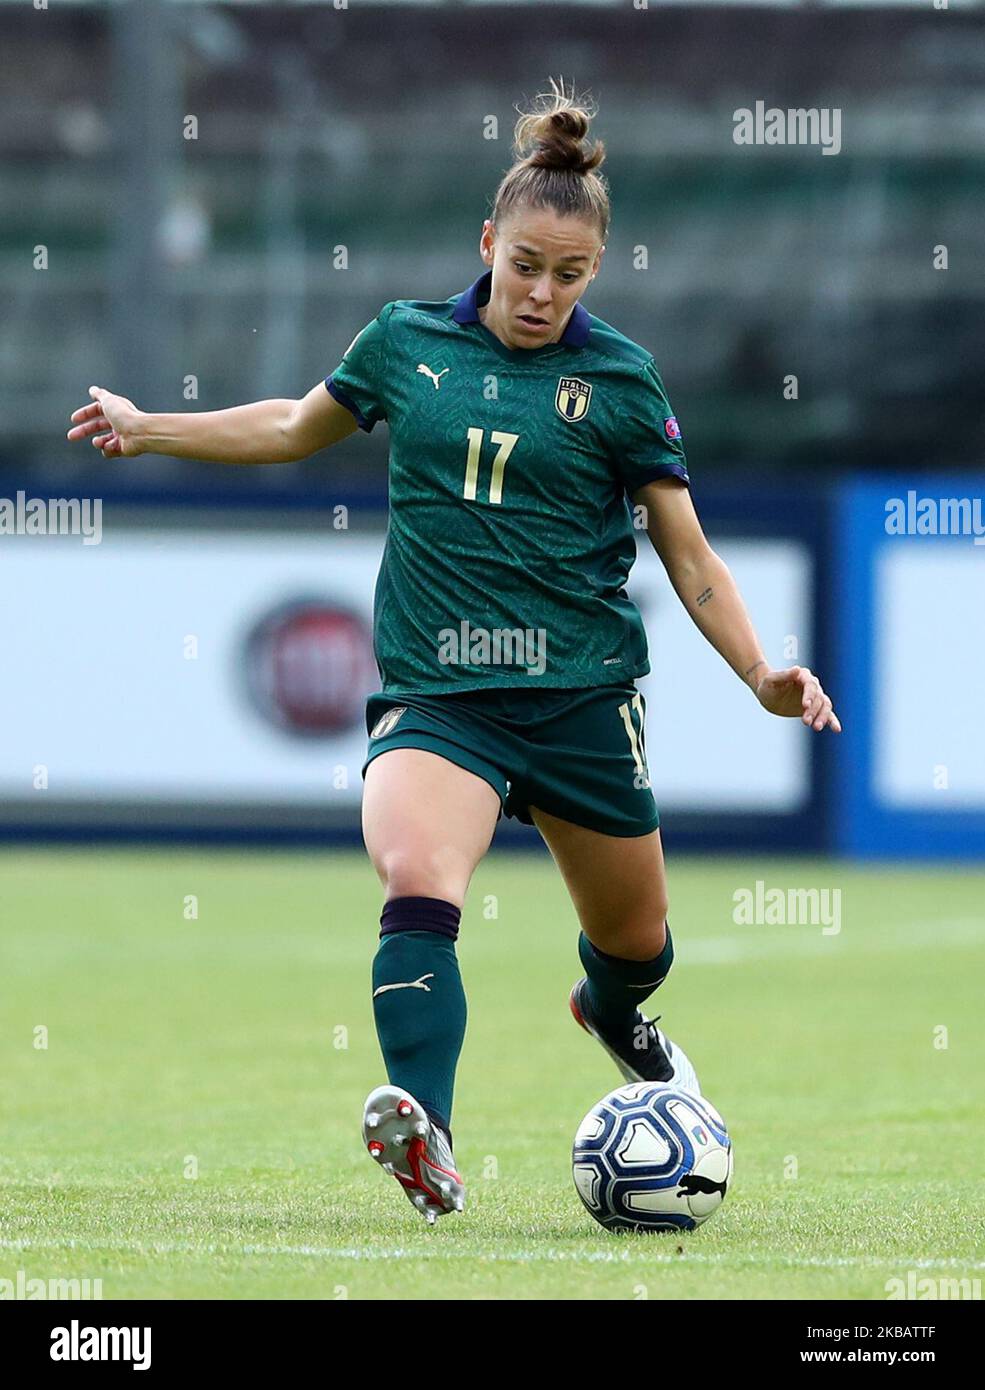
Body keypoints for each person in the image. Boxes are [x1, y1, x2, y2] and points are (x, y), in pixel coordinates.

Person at [69, 79, 840, 1228]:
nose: (540, 291)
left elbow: (689, 561)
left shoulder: (621, 383)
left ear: (595, 273)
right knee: (419, 878)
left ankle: (616, 1015)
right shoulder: (402, 343)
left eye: (568, 274)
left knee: (635, 943)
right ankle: (426, 1132)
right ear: (487, 242)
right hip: (441, 694)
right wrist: (150, 424)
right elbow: (290, 424)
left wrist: (761, 672)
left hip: (581, 697)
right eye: (524, 263)